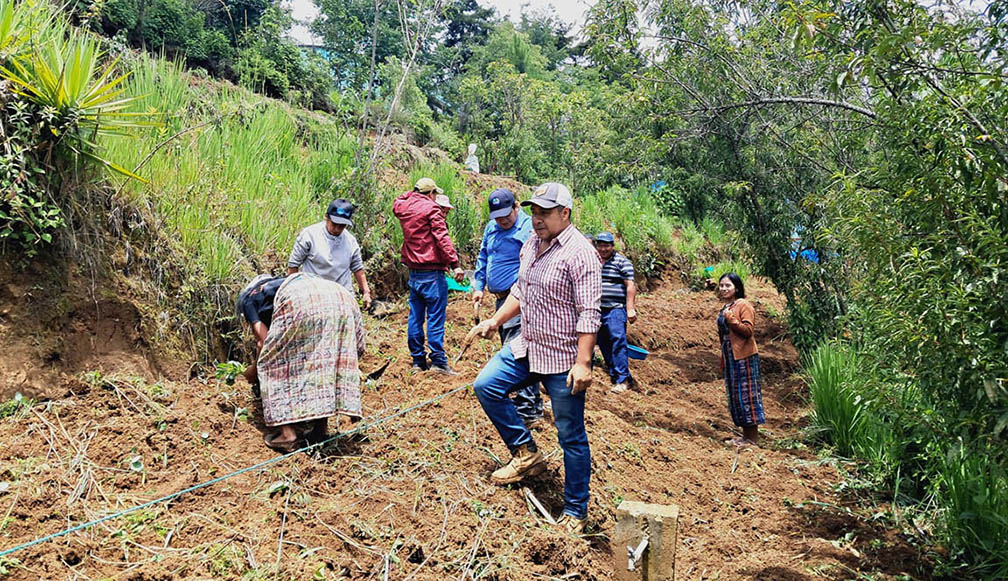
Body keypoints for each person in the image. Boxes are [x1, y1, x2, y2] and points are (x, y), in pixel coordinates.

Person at [466, 182, 601, 534]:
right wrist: (495, 321)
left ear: (565, 213)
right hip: (527, 345)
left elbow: (590, 312)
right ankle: (526, 453)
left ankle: (576, 511)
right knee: (486, 385)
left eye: (545, 213)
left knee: (570, 435)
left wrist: (583, 362)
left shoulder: (580, 253)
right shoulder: (532, 243)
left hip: (563, 356)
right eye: (535, 212)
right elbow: (520, 291)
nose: (537, 218)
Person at [237, 272, 365, 452]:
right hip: (342, 297)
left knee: (271, 363)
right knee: (321, 363)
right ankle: (319, 430)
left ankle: (287, 435)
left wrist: (251, 372)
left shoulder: (249, 299)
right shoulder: (276, 289)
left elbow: (263, 343)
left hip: (305, 301)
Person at [471, 188, 543, 427]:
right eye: (497, 216)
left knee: (518, 351)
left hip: (520, 300)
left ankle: (527, 408)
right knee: (512, 348)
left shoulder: (529, 229)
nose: (502, 220)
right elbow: (484, 257)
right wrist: (479, 286)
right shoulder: (491, 228)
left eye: (506, 215)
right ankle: (529, 404)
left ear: (516, 207)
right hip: (500, 300)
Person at [393, 177, 466, 375]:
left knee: (415, 318)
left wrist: (413, 193)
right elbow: (442, 238)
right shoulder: (432, 209)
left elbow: (398, 200)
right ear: (431, 193)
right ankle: (438, 362)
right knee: (435, 318)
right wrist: (455, 264)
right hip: (432, 273)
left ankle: (418, 360)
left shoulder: (403, 208)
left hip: (414, 273)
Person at [288, 199, 372, 310]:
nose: (337, 229)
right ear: (326, 217)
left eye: (342, 226)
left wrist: (366, 292)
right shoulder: (309, 235)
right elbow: (293, 265)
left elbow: (358, 268)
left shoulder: (350, 241)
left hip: (342, 295)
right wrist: (293, 291)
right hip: (313, 294)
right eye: (334, 224)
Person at [717, 272, 765, 446]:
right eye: (721, 285)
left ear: (736, 288)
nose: (724, 289)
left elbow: (748, 331)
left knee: (747, 395)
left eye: (727, 285)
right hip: (731, 356)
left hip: (744, 357)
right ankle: (745, 436)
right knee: (736, 396)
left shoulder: (743, 305)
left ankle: (752, 438)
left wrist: (731, 319)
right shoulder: (727, 306)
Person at [593, 232, 638, 393]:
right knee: (603, 343)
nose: (603, 249)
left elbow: (630, 286)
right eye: (600, 245)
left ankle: (623, 380)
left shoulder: (622, 262)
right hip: (597, 309)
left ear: (612, 246)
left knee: (618, 341)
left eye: (606, 246)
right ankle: (616, 375)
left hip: (615, 308)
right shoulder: (593, 261)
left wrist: (630, 308)